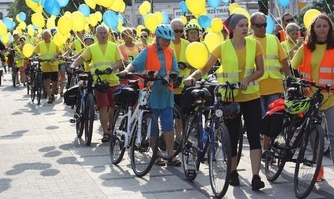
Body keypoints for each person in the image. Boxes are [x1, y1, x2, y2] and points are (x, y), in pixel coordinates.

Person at [184, 13, 265, 190]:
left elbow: (261, 70)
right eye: (241, 25)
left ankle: (256, 177)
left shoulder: (254, 44)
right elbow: (205, 68)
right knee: (233, 137)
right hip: (230, 97)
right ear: (233, 28)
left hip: (251, 96)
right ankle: (233, 171)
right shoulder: (223, 47)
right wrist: (192, 76)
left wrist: (248, 79)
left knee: (253, 137)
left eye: (247, 25)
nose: (245, 28)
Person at [119, 24, 181, 167]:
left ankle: (171, 155)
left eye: (169, 40)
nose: (167, 42)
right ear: (157, 38)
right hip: (150, 92)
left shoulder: (170, 52)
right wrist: (126, 71)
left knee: (168, 125)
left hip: (166, 93)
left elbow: (175, 70)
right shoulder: (148, 50)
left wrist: (170, 76)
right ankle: (156, 154)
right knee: (152, 124)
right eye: (165, 40)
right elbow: (135, 64)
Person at [291, 13, 334, 181]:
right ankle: (318, 169)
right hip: (310, 96)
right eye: (318, 26)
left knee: (333, 134)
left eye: (325, 26)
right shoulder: (306, 47)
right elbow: (293, 67)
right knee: (314, 135)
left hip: (331, 97)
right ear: (313, 29)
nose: (322, 29)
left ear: (330, 28)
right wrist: (299, 83)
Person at [71, 25, 123, 143]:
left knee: (112, 107)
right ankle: (105, 132)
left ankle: (110, 127)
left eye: (105, 33)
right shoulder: (92, 48)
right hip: (99, 82)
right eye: (100, 33)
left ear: (108, 34)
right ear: (96, 35)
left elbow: (120, 62)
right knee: (103, 107)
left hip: (113, 81)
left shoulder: (114, 46)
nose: (103, 35)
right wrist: (73, 65)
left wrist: (112, 68)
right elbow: (81, 58)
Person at [249, 12, 291, 158]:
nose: (262, 28)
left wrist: (289, 78)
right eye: (259, 25)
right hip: (255, 87)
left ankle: (266, 149)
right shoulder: (248, 41)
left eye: (264, 25)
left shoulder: (274, 39)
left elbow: (284, 61)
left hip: (274, 85)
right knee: (259, 121)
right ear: (252, 26)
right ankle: (259, 148)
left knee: (273, 120)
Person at [33, 30, 62, 104]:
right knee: (47, 82)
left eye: (47, 35)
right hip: (45, 65)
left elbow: (60, 53)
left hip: (54, 65)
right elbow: (34, 52)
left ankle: (52, 93)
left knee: (55, 83)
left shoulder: (55, 43)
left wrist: (55, 57)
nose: (45, 37)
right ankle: (50, 96)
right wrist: (32, 57)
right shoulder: (40, 44)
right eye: (44, 36)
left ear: (50, 36)